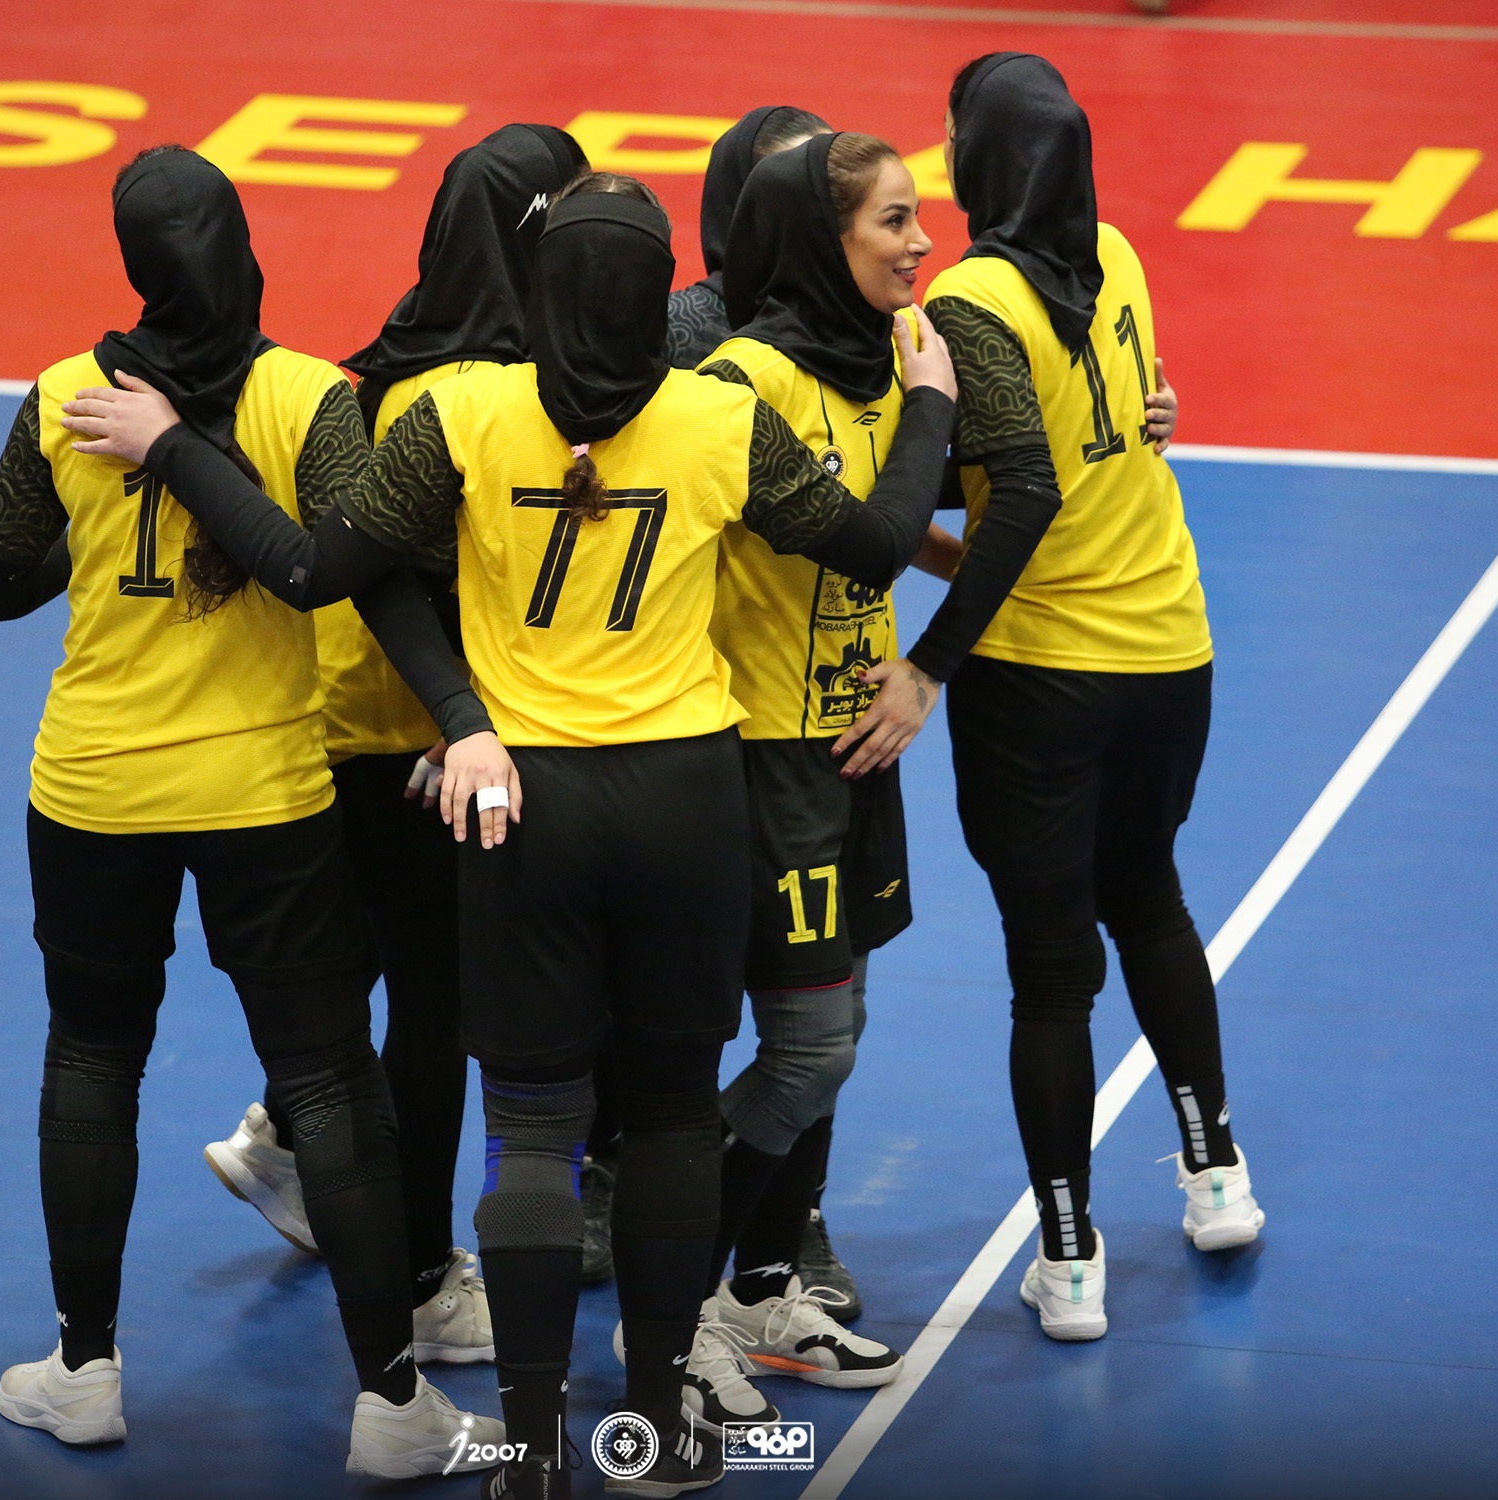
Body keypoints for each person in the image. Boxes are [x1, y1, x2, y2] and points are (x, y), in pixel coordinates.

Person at [61, 171, 958, 1500]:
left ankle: (532, 1450)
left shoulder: (461, 410)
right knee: (669, 1119)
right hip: (684, 805)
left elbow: (321, 571)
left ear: (542, 293)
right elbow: (876, 546)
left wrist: (180, 450)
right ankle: (654, 1429)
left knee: (530, 1132)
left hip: (522, 809)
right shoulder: (720, 417)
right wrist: (928, 404)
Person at [0, 145, 500, 1475]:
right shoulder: (308, 398)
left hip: (93, 786)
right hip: (263, 793)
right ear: (241, 249)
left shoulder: (64, 399)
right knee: (328, 1076)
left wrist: (97, 525)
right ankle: (392, 1405)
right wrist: (461, 710)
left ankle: (82, 1370)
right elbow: (358, 571)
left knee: (94, 1060)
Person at [883, 53, 1265, 1343]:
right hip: (1169, 647)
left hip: (1040, 672)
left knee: (1049, 976)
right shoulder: (1114, 252)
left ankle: (1067, 1255)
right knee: (1147, 896)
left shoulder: (967, 300)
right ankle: (1215, 1173)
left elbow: (1001, 486)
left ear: (979, 155)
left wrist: (926, 661)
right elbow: (1104, 425)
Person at [199, 121, 586, 1369]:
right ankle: (422, 1282)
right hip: (419, 752)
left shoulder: (386, 365)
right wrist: (467, 717)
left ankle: (283, 1142)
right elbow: (449, 584)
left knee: (362, 973)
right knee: (433, 1018)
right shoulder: (486, 398)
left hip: (331, 730)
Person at [621, 130, 940, 1432]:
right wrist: (937, 410)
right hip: (760, 757)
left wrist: (1148, 414)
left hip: (854, 750)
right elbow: (865, 539)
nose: (921, 242)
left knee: (835, 1035)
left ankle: (758, 1287)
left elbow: (977, 502)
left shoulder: (891, 356)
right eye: (894, 221)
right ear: (824, 239)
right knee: (806, 1050)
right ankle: (672, 1307)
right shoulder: (742, 381)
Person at [665, 104, 831, 370]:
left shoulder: (880, 324)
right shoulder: (672, 329)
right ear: (744, 206)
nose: (829, 211)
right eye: (804, 191)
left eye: (837, 188)